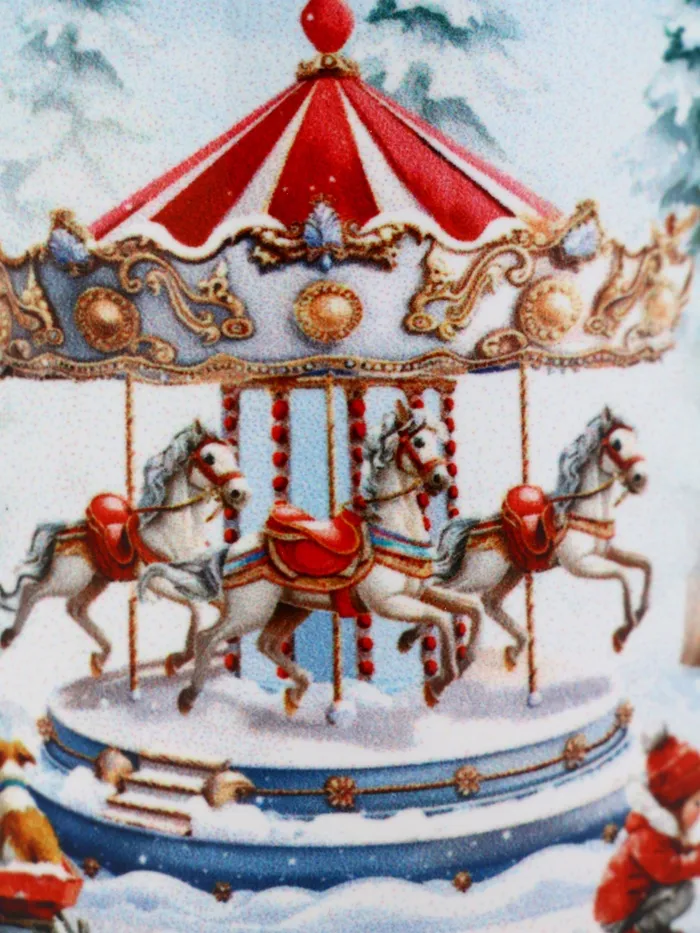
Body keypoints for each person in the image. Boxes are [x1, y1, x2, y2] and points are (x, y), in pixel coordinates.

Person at [595, 731, 700, 933]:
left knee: (680, 889)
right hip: (617, 916)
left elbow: (676, 856)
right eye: (696, 803)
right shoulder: (647, 834)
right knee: (683, 892)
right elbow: (668, 871)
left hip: (634, 902)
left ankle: (651, 927)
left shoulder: (663, 828)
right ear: (676, 803)